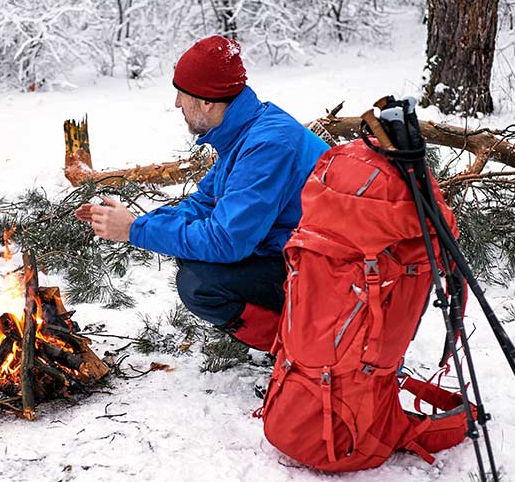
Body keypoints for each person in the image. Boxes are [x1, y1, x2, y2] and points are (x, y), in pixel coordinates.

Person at [75, 35, 329, 351]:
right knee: (193, 259)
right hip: (295, 252)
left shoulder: (267, 145)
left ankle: (307, 352)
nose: (177, 104)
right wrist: (135, 222)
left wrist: (133, 231)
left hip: (328, 273)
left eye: (182, 95)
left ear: (207, 101)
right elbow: (204, 201)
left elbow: (226, 241)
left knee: (200, 283)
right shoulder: (245, 130)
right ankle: (301, 343)